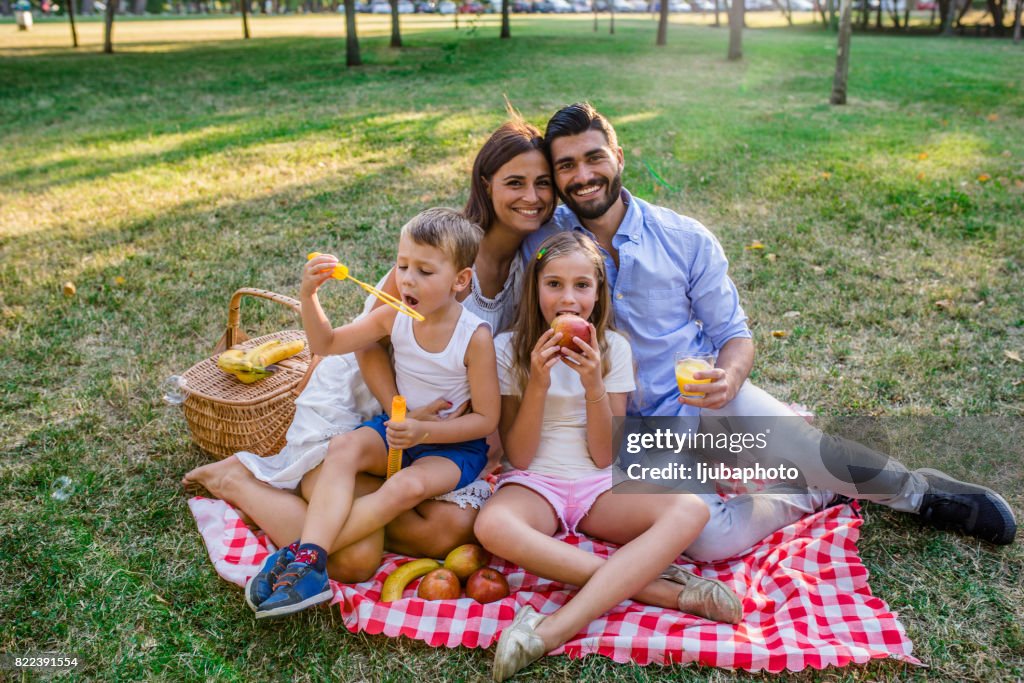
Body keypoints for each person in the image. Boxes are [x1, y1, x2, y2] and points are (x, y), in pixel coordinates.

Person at [522, 101, 1016, 547]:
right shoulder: (548, 249)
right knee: (708, 541)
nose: (582, 175)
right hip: (628, 434)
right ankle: (810, 497)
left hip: (704, 403)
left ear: (618, 156)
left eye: (593, 158)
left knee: (810, 449)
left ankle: (920, 493)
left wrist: (729, 378)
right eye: (566, 165)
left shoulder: (684, 238)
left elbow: (733, 335)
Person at [181, 118, 557, 591]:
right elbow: (360, 349)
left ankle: (325, 523)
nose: (533, 196)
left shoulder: (531, 264)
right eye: (515, 182)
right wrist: (400, 409)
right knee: (356, 561)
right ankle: (241, 484)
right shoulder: (427, 259)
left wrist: (433, 428)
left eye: (543, 183)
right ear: (487, 185)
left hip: (430, 435)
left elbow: (487, 389)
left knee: (447, 530)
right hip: (365, 410)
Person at [477, 232, 742, 682]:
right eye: (554, 284)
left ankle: (553, 629)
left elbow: (603, 457)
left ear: (598, 292)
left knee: (691, 510)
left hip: (598, 485)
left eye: (582, 285)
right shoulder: (508, 349)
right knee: (491, 526)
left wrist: (594, 385)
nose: (568, 298)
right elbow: (519, 456)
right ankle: (662, 591)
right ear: (535, 288)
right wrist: (538, 384)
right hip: (534, 483)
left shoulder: (613, 349)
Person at [251, 207, 500, 619]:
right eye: (403, 265)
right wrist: (309, 297)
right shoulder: (393, 314)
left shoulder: (474, 337)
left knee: (406, 488)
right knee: (345, 447)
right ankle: (310, 559)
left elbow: (487, 420)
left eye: (424, 270)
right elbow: (328, 343)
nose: (406, 279)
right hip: (399, 426)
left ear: (460, 280)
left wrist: (423, 432)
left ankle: (297, 556)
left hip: (451, 445)